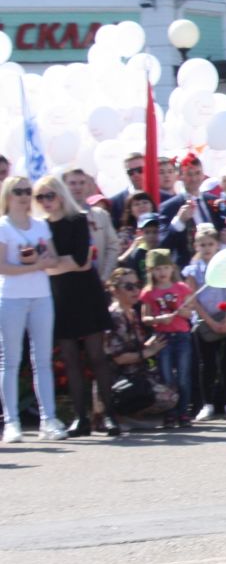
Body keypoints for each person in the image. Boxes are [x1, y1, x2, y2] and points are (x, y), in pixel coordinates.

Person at [38, 176, 118, 437]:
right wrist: (57, 263)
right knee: (70, 359)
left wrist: (51, 263)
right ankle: (80, 417)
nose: (46, 202)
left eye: (50, 195)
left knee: (97, 356)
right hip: (59, 295)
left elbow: (82, 259)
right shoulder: (40, 227)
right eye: (40, 197)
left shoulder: (78, 219)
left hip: (86, 292)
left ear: (60, 195)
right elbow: (54, 263)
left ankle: (110, 416)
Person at [1, 176, 64, 442]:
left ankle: (48, 419)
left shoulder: (40, 226)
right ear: (8, 195)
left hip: (40, 295)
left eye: (28, 191)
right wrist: (33, 266)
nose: (25, 196)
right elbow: (2, 266)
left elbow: (54, 258)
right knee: (11, 360)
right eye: (19, 191)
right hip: (12, 297)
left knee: (43, 360)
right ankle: (11, 421)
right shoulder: (3, 226)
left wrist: (43, 260)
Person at [103, 268, 177, 428]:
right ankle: (120, 417)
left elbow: (134, 346)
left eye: (137, 285)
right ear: (114, 290)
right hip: (119, 381)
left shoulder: (132, 313)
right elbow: (118, 358)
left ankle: (132, 417)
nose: (136, 290)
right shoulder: (114, 317)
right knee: (168, 397)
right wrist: (147, 352)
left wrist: (149, 344)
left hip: (136, 376)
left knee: (173, 389)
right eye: (129, 287)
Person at [181, 225, 226, 421]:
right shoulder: (192, 270)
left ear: (217, 245)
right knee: (207, 365)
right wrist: (211, 322)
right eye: (202, 244)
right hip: (204, 322)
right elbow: (193, 299)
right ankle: (207, 404)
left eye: (210, 244)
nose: (206, 248)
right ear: (196, 246)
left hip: (224, 319)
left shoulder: (223, 267)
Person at [139, 248, 197, 429]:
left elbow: (191, 312)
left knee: (183, 376)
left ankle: (183, 412)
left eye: (165, 267)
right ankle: (170, 413)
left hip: (182, 336)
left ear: (172, 268)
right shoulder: (148, 292)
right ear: (151, 272)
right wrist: (159, 319)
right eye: (157, 269)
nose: (162, 272)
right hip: (162, 337)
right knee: (166, 377)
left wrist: (182, 312)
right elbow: (145, 318)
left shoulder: (182, 288)